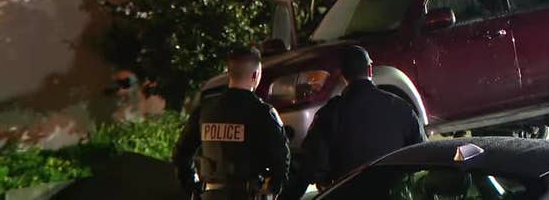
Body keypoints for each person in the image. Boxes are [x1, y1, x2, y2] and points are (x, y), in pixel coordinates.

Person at [301, 45, 426, 189]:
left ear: (342, 76)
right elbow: (421, 153)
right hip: (394, 192)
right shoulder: (401, 107)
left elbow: (313, 164)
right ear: (370, 69)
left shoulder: (329, 113)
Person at [173, 46, 290, 199]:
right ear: (255, 75)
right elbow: (282, 160)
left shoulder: (205, 109)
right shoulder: (264, 113)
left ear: (229, 72)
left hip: (210, 195)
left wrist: (192, 188)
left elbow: (181, 154)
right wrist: (272, 189)